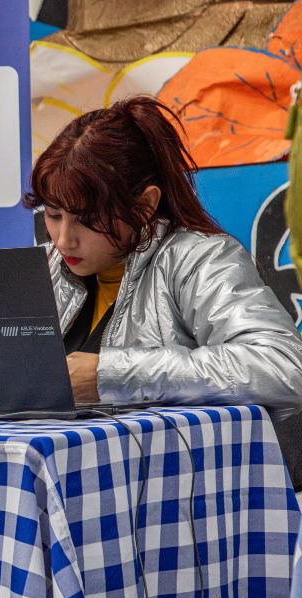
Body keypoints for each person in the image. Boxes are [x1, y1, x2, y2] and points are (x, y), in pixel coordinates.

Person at [23, 96, 302, 420]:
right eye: (53, 215)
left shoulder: (199, 258)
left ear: (145, 205)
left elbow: (284, 368)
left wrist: (110, 375)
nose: (63, 239)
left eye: (86, 220)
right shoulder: (43, 265)